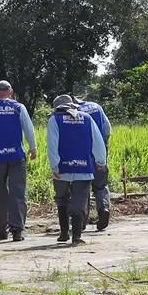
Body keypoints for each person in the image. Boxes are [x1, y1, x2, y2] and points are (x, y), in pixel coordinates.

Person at [0, 80, 37, 242]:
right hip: (16, 156)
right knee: (18, 192)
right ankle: (17, 230)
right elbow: (28, 128)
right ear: (10, 92)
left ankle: (0, 229)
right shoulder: (19, 107)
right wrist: (33, 147)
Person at [48, 94, 107, 245]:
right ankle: (76, 236)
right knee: (79, 200)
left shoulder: (55, 120)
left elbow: (52, 145)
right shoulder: (87, 118)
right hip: (84, 167)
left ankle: (63, 234)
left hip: (62, 168)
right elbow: (98, 141)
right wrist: (100, 161)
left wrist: (55, 165)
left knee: (61, 198)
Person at [75, 95, 114, 230]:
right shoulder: (96, 106)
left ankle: (81, 221)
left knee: (82, 185)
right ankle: (104, 209)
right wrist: (104, 147)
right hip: (100, 152)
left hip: (82, 154)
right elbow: (107, 129)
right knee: (101, 185)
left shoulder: (74, 111)